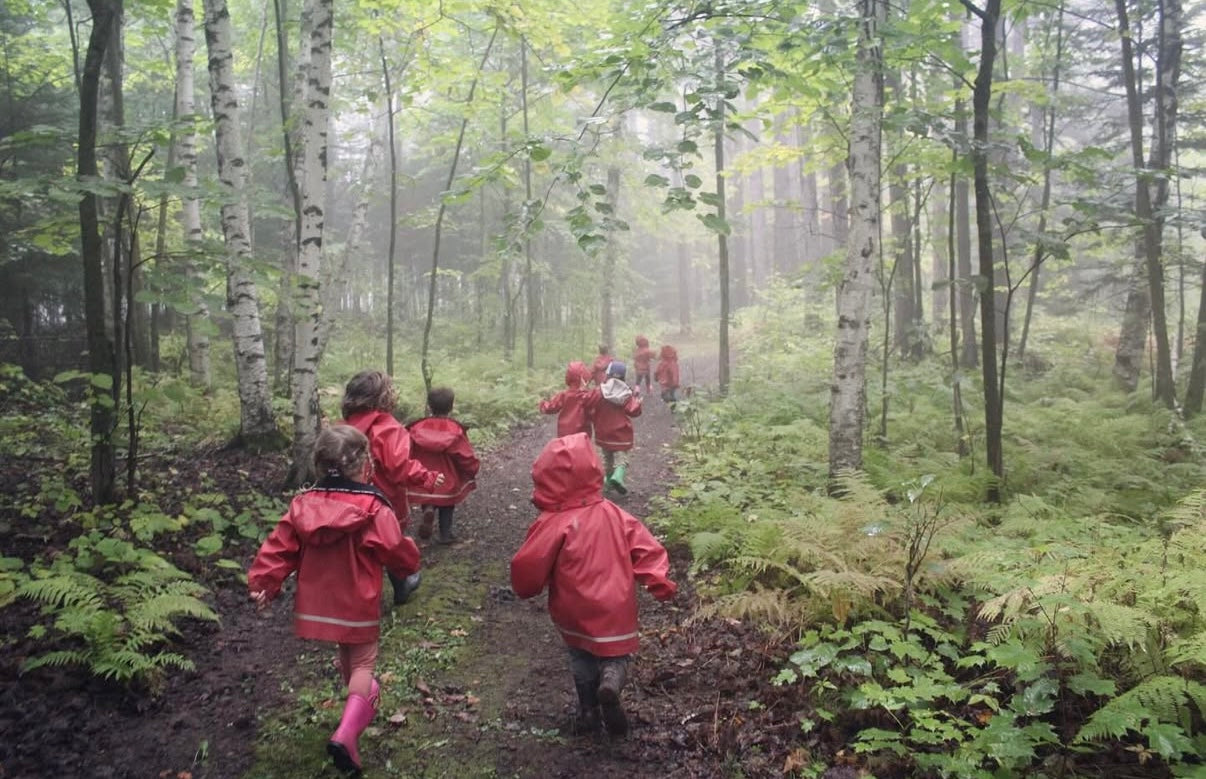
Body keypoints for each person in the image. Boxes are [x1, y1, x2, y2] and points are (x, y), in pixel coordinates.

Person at [249, 425, 420, 775]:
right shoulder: (373, 506)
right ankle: (347, 734)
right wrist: (410, 561)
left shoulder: (302, 504)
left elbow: (280, 546)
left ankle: (355, 709)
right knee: (362, 664)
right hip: (357, 599)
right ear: (365, 465)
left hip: (318, 604)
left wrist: (264, 582)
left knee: (348, 656)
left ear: (318, 464)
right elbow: (393, 548)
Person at [510, 433, 677, 737]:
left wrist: (525, 587)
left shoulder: (553, 523)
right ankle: (612, 680)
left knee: (580, 655)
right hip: (616, 605)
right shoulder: (616, 515)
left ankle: (588, 710)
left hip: (573, 607)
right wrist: (658, 579)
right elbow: (647, 548)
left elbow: (529, 563)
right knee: (616, 654)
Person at [342, 370, 444, 604]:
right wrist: (426, 477)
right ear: (384, 397)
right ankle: (401, 586)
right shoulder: (388, 428)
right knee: (389, 543)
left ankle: (354, 597)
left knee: (357, 548)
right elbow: (399, 466)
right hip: (383, 501)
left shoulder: (343, 427)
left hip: (347, 501)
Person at [406, 386, 480, 545]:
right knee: (447, 506)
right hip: (447, 478)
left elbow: (407, 451)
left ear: (429, 406)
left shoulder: (416, 428)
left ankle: (428, 510)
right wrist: (472, 469)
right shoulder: (455, 430)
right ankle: (445, 534)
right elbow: (465, 456)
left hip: (425, 477)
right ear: (451, 407)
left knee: (428, 498)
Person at [589, 360, 642, 495]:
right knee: (621, 458)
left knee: (607, 459)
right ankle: (618, 477)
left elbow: (589, 402)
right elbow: (633, 411)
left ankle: (607, 484)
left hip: (603, 433)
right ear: (623, 377)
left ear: (608, 374)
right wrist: (638, 403)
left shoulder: (600, 391)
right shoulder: (626, 393)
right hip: (621, 434)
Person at [539, 361, 594, 438]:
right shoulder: (587, 397)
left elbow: (551, 407)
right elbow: (595, 412)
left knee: (565, 450)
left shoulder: (564, 395)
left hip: (564, 435)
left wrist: (542, 405)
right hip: (582, 437)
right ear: (584, 378)